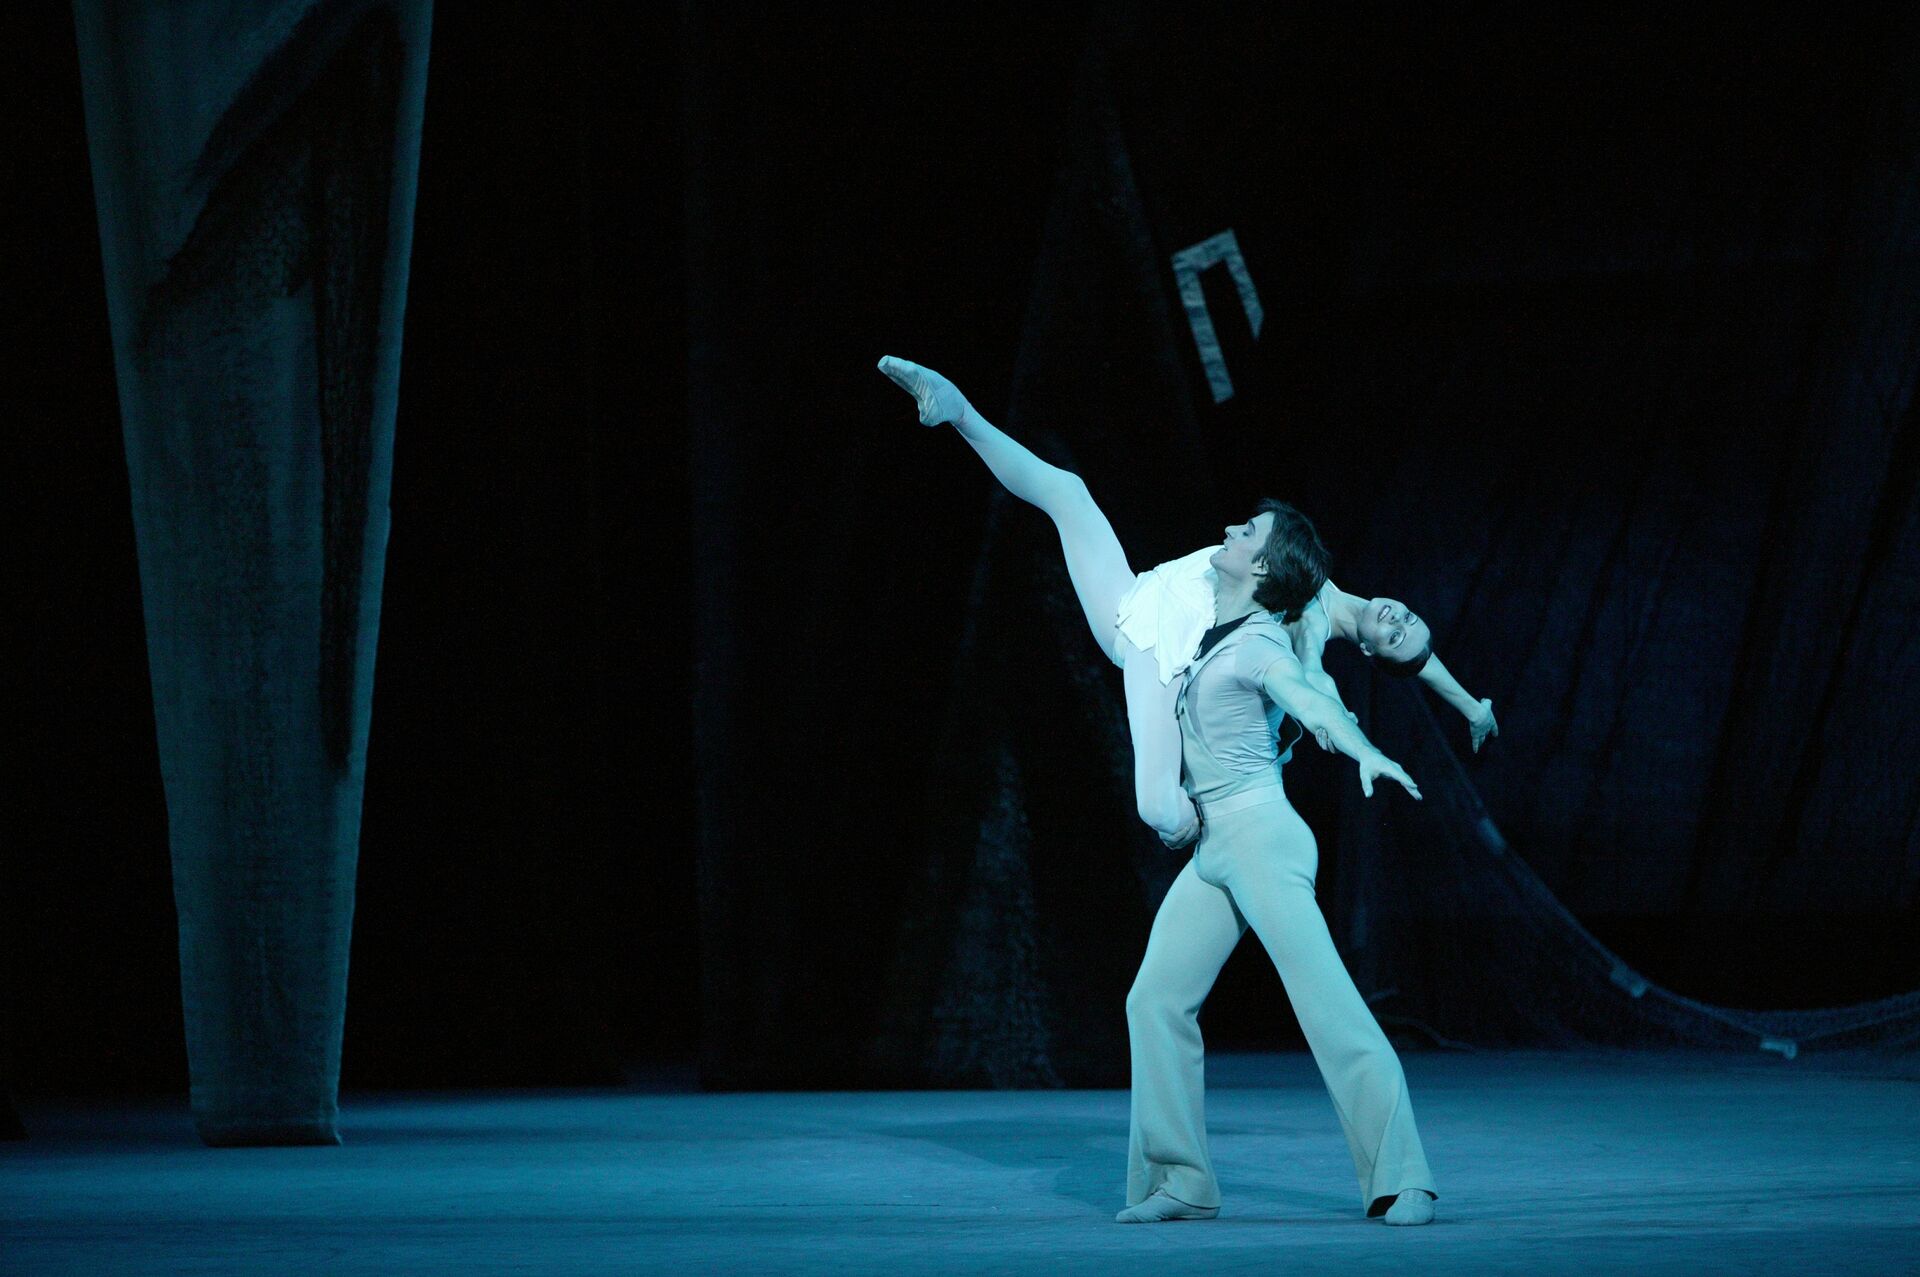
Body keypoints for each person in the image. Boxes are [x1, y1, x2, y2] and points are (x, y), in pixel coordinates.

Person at [879, 355, 1440, 1225]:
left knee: (1325, 1002)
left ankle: (1405, 1176)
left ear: (1262, 569)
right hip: (1217, 843)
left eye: (1248, 533)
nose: (1232, 529)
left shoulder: (1261, 641)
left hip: (1262, 837)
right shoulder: (1193, 618)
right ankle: (1181, 1179)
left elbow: (1312, 699)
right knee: (1155, 999)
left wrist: (1362, 747)